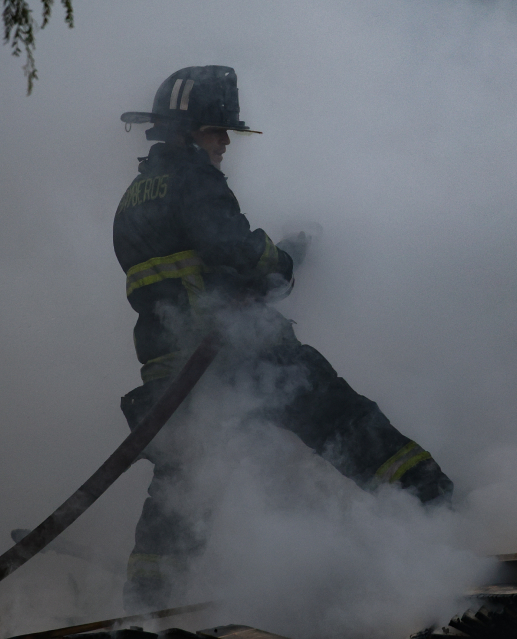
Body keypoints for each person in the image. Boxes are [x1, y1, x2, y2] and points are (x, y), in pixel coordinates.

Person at [113, 65, 454, 610]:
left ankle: (145, 604)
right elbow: (235, 250)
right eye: (216, 130)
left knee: (181, 487)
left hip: (168, 372)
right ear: (186, 131)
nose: (225, 142)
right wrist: (284, 258)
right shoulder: (194, 177)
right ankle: (434, 510)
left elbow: (186, 276)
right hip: (237, 354)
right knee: (341, 418)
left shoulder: (132, 199)